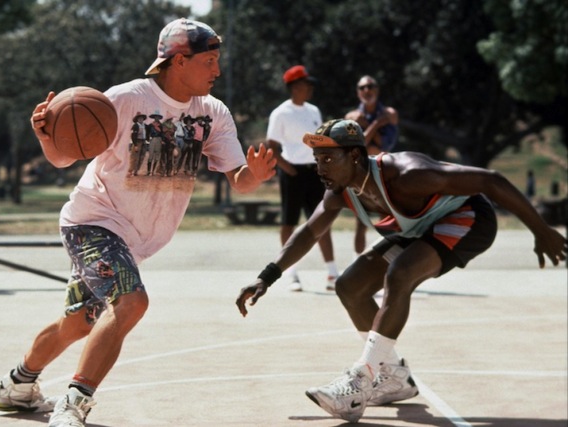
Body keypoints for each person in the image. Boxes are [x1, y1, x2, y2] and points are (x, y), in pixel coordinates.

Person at [0, 18, 276, 427]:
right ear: (179, 61)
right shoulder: (124, 100)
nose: (217, 70)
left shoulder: (212, 113)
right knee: (131, 302)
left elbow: (240, 180)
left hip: (134, 239)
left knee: (79, 322)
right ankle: (73, 405)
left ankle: (16, 386)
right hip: (92, 222)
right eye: (209, 61)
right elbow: (65, 157)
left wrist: (258, 176)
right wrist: (48, 137)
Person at [236, 119, 567, 423]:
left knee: (400, 273)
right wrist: (267, 276)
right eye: (317, 158)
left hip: (468, 219)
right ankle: (394, 375)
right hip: (418, 230)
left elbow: (490, 180)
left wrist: (542, 230)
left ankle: (360, 379)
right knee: (350, 286)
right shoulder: (340, 191)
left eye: (326, 159)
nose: (318, 167)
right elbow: (310, 231)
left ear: (354, 156)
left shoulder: (408, 174)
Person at [266, 64, 339, 292]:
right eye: (306, 85)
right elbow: (272, 146)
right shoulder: (281, 113)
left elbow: (319, 141)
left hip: (314, 172)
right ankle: (290, 272)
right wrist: (289, 169)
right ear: (295, 86)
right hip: (293, 173)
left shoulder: (313, 111)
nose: (310, 89)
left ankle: (333, 273)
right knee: (289, 222)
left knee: (321, 220)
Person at [345, 76, 399, 256]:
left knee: (387, 221)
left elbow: (385, 145)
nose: (367, 90)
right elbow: (359, 144)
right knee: (361, 221)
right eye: (362, 87)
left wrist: (368, 127)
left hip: (384, 172)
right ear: (357, 92)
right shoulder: (351, 117)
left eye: (371, 86)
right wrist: (375, 125)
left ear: (377, 89)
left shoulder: (390, 113)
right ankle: (357, 262)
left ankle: (384, 262)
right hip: (362, 173)